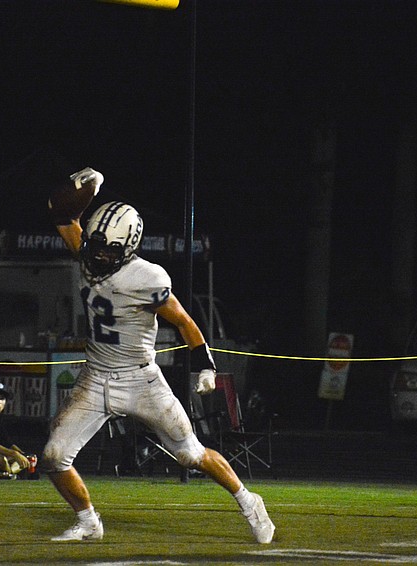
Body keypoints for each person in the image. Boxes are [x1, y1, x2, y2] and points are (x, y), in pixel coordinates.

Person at [41, 167, 275, 543]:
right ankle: (88, 521)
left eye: (108, 249)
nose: (98, 255)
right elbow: (61, 212)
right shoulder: (86, 253)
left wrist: (205, 366)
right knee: (53, 457)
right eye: (95, 244)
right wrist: (88, 188)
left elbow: (185, 322)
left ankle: (250, 502)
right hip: (95, 376)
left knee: (190, 454)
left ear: (129, 248)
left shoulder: (147, 278)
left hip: (140, 378)